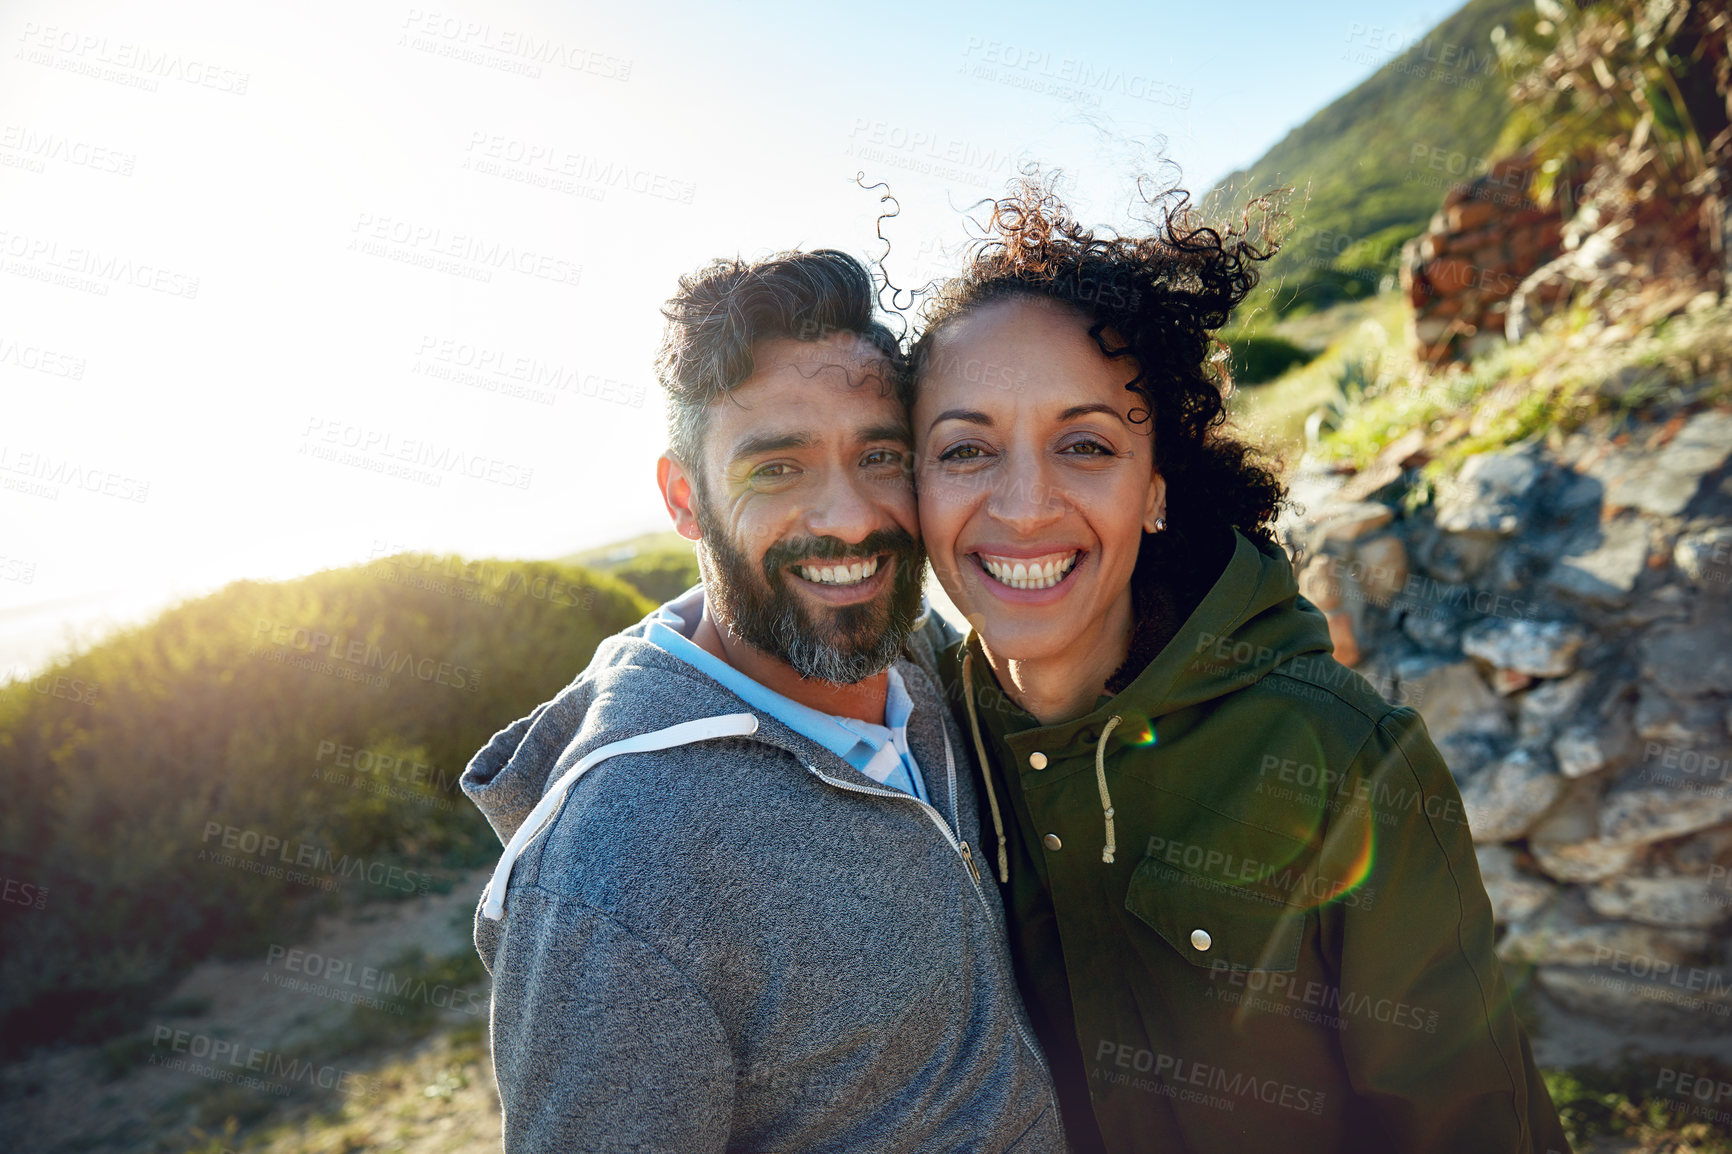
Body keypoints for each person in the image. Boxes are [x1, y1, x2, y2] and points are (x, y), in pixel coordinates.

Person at [908, 175, 1572, 1154]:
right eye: (965, 450)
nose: (1022, 503)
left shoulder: (1346, 756)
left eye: (1085, 443)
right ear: (910, 486)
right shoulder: (916, 747)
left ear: (1155, 490)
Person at [461, 248, 1065, 1151]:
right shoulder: (616, 874)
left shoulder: (920, 657)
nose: (850, 518)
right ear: (685, 499)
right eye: (776, 470)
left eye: (880, 456)